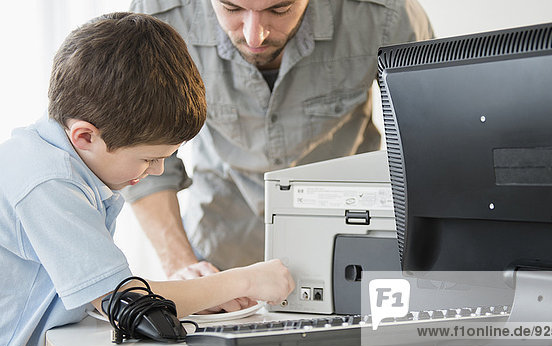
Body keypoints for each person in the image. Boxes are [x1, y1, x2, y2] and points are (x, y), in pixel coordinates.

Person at [0, 12, 294, 346]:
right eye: (149, 158)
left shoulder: (58, 162)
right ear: (85, 136)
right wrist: (246, 279)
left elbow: (99, 291)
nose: (156, 171)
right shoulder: (46, 181)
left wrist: (199, 294)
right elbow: (123, 302)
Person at [126, 0, 434, 280]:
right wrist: (181, 264)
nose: (253, 36)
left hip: (352, 246)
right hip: (220, 249)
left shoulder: (388, 13)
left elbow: (428, 146)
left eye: (279, 10)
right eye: (232, 9)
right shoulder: (156, 16)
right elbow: (139, 154)